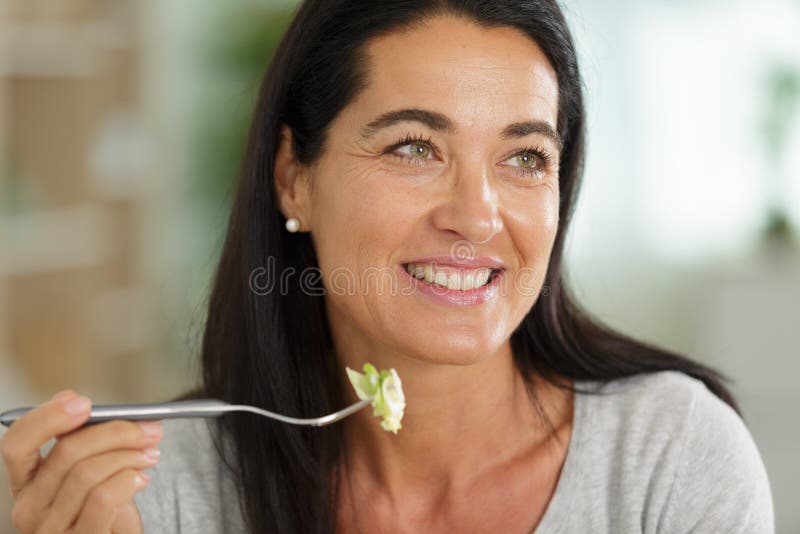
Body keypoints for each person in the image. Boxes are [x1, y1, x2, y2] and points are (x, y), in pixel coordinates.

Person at [0, 0, 775, 532]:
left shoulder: (670, 460)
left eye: (525, 157)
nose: (476, 216)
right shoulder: (163, 497)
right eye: (414, 147)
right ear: (292, 176)